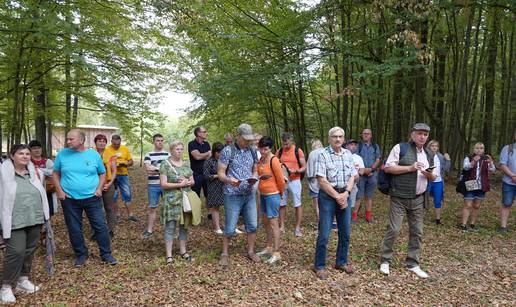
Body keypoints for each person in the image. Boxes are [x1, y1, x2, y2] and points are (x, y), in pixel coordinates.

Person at [379, 123, 437, 278]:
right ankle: (385, 260)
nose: (422, 137)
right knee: (394, 229)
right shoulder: (400, 148)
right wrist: (410, 168)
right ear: (412, 134)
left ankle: (413, 263)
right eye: (419, 133)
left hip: (418, 198)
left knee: (417, 231)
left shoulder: (429, 154)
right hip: (399, 196)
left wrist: (428, 174)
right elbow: (388, 168)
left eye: (425, 134)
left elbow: (434, 176)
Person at [53, 129, 117, 267]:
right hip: (69, 199)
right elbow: (55, 174)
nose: (68, 141)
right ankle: (81, 254)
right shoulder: (62, 155)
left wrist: (99, 189)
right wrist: (59, 191)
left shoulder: (93, 155)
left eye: (71, 139)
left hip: (92, 198)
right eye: (68, 139)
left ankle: (106, 254)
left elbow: (102, 173)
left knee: (100, 226)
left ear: (81, 140)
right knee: (74, 228)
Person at [0, 144, 50, 303]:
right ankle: (6, 286)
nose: (25, 156)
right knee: (16, 252)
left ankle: (22, 280)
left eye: (27, 153)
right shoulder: (3, 173)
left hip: (34, 218)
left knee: (29, 250)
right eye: (20, 153)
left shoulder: (35, 173)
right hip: (14, 220)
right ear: (12, 156)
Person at [312, 127, 357, 279]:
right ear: (329, 138)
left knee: (345, 232)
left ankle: (341, 262)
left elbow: (353, 176)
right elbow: (321, 180)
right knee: (324, 232)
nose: (338, 139)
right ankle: (319, 265)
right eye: (335, 136)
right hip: (327, 197)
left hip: (345, 194)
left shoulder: (348, 154)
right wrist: (338, 196)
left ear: (344, 138)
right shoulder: (322, 155)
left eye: (340, 136)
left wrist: (346, 194)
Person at [217, 123, 259, 266]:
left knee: (252, 225)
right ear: (238, 136)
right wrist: (229, 180)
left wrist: (254, 177)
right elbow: (220, 173)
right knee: (230, 226)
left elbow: (255, 169)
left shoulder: (253, 150)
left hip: (249, 194)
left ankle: (251, 251)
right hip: (232, 194)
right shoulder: (228, 151)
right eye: (245, 138)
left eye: (249, 138)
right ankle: (224, 253)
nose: (247, 141)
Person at [159, 140, 195, 264]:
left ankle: (183, 251)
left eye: (181, 149)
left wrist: (187, 182)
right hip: (171, 200)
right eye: (177, 149)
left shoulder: (186, 164)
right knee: (170, 227)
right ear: (171, 150)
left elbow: (192, 181)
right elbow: (163, 184)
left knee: (183, 226)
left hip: (185, 200)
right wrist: (178, 184)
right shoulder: (165, 164)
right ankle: (169, 255)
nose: (179, 151)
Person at [256, 136, 285, 264]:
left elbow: (280, 180)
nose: (263, 151)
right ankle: (269, 247)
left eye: (265, 149)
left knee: (274, 223)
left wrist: (280, 193)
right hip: (263, 193)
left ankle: (277, 252)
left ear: (270, 148)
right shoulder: (261, 160)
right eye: (261, 148)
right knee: (266, 221)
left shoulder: (274, 160)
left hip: (273, 194)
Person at [460, 142, 496, 232]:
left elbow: (493, 170)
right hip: (470, 183)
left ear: (483, 150)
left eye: (481, 148)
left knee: (477, 205)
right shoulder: (468, 157)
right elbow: (465, 167)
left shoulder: (486, 158)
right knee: (467, 204)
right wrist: (473, 161)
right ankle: (463, 225)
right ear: (474, 149)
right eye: (477, 148)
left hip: (482, 184)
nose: (479, 150)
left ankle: (472, 224)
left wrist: (491, 162)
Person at [276, 132, 306, 237]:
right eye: (283, 144)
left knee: (297, 204)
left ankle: (297, 227)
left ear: (291, 141)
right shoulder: (279, 151)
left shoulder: (298, 151)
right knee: (282, 204)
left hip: (295, 181)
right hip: (283, 182)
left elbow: (304, 167)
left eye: (286, 144)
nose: (284, 146)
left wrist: (296, 171)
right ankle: (282, 226)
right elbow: (276, 165)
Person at [104, 134, 137, 222]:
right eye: (114, 144)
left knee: (127, 194)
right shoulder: (107, 150)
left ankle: (130, 215)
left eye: (118, 144)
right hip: (111, 176)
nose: (116, 146)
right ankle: (116, 215)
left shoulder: (124, 149)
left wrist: (126, 163)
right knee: (113, 196)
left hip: (123, 175)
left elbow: (131, 161)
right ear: (111, 142)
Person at [142, 134, 170, 238]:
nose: (160, 142)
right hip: (153, 185)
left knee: (168, 207)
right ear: (153, 142)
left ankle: (170, 230)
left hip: (166, 185)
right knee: (152, 208)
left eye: (162, 140)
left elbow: (170, 170)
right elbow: (148, 170)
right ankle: (149, 230)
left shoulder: (168, 155)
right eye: (158, 140)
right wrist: (162, 169)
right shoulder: (148, 154)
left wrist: (155, 168)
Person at [353, 128, 381, 223]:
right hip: (360, 175)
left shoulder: (375, 146)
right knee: (358, 196)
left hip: (372, 175)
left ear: (371, 135)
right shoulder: (358, 146)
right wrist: (364, 171)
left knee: (369, 196)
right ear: (362, 135)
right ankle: (354, 217)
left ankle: (368, 217)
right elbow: (355, 159)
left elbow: (378, 159)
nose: (366, 135)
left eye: (368, 133)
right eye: (364, 133)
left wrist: (371, 169)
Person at [94, 134, 117, 238]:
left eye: (104, 141)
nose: (102, 143)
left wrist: (109, 184)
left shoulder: (111, 154)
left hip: (108, 184)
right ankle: (96, 231)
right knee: (95, 209)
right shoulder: (90, 153)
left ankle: (110, 229)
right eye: (99, 141)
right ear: (96, 142)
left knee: (109, 207)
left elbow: (114, 171)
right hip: (94, 185)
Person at [28, 140, 57, 217]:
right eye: (34, 148)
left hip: (47, 190)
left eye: (39, 148)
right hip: (32, 192)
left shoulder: (47, 161)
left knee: (48, 212)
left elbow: (53, 173)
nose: (37, 150)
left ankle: (48, 228)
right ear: (30, 150)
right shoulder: (27, 162)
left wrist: (39, 169)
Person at [426, 140, 451, 225]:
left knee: (437, 200)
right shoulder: (425, 155)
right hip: (427, 180)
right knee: (423, 198)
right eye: (432, 146)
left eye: (436, 146)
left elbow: (446, 169)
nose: (434, 147)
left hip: (438, 182)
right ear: (429, 146)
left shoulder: (440, 156)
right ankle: (418, 218)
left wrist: (448, 160)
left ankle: (438, 220)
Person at [203, 142, 225, 234]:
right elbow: (206, 175)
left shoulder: (224, 161)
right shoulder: (209, 161)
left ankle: (229, 225)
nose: (220, 154)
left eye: (221, 152)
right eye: (218, 152)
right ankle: (217, 227)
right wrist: (217, 176)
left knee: (228, 206)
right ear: (214, 152)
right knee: (215, 207)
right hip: (213, 187)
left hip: (224, 186)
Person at [499, 131, 516, 233]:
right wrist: (512, 175)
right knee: (507, 203)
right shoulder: (507, 148)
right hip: (509, 182)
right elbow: (502, 164)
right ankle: (503, 227)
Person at [188, 126, 211, 199]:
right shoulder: (192, 144)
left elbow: (209, 157)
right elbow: (197, 157)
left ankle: (210, 210)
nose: (206, 133)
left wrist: (202, 155)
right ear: (198, 133)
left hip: (207, 173)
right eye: (204, 132)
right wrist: (207, 153)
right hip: (196, 174)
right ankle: (196, 210)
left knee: (209, 196)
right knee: (195, 196)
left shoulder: (207, 144)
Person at [306, 139, 325, 221]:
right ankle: (331, 221)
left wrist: (309, 177)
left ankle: (320, 221)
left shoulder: (312, 154)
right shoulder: (325, 152)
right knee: (327, 203)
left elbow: (309, 169)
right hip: (326, 181)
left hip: (315, 181)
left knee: (317, 204)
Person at [345, 139, 365, 208]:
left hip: (354, 185)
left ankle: (349, 217)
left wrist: (357, 175)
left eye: (355, 145)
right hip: (343, 185)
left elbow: (362, 169)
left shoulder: (359, 158)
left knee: (351, 204)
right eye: (351, 144)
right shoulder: (343, 155)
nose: (353, 146)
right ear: (347, 146)